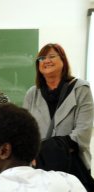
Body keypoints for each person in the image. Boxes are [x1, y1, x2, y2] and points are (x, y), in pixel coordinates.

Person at [23, 43, 93, 177]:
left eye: (52, 56)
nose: (47, 61)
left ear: (63, 60)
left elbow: (82, 134)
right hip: (39, 170)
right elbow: (25, 132)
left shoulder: (80, 89)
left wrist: (44, 149)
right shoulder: (32, 94)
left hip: (72, 168)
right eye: (42, 58)